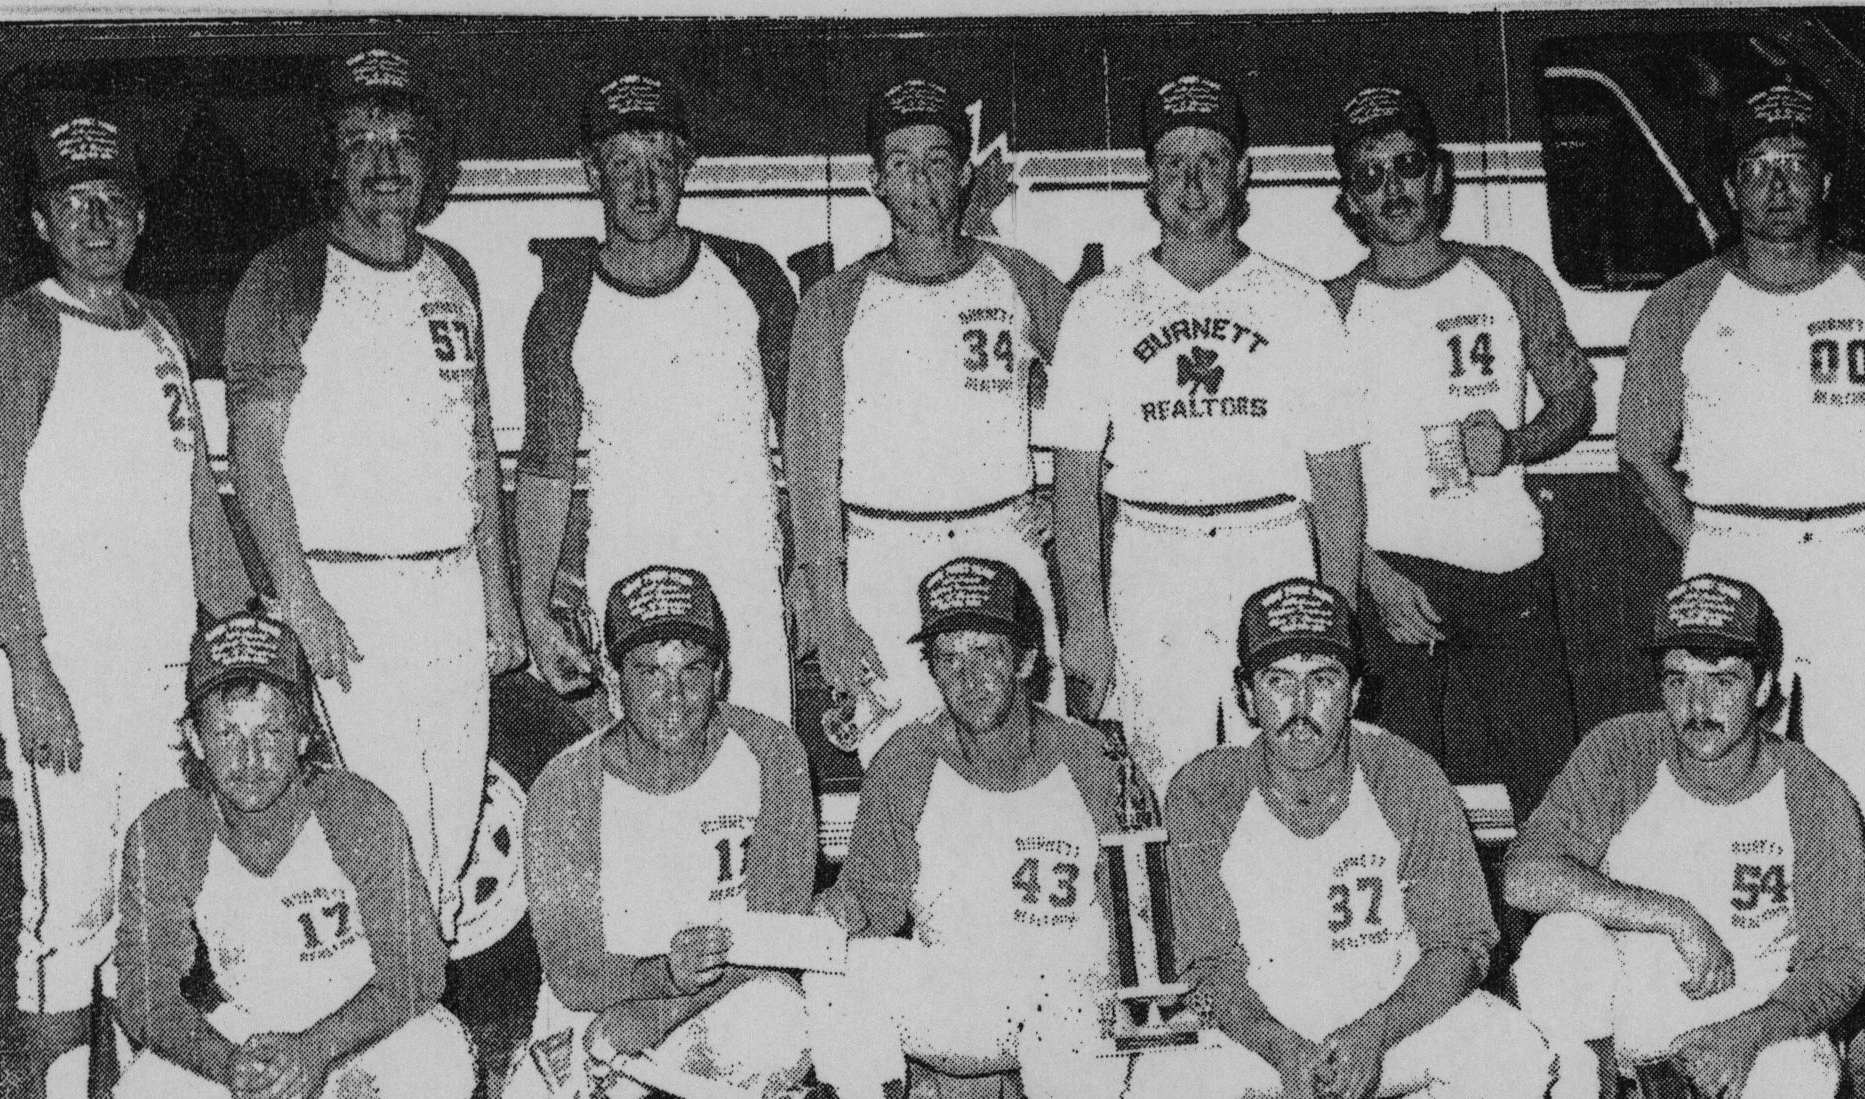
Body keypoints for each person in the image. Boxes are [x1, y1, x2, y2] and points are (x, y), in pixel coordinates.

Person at [456, 566, 887, 1099]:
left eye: (692, 670)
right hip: (599, 1011)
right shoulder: (567, 785)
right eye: (648, 672)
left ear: (720, 674)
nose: (673, 695)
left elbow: (776, 935)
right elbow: (571, 975)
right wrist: (658, 976)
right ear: (612, 677)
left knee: (776, 1025)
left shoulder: (770, 752)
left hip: (718, 999)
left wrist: (662, 1007)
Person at [0, 111, 252, 1099]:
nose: (96, 219)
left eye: (114, 201)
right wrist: (30, 666)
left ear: (141, 219)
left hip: (157, 665)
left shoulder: (157, 328)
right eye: (74, 201)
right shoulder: (17, 329)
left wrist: (242, 636)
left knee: (145, 906)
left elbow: (197, 501)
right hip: (66, 666)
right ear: (41, 219)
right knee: (68, 911)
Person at [1127, 579, 1554, 1099]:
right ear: (1245, 695)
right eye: (1277, 681)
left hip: (1386, 1028)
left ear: (1354, 693)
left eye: (1322, 681)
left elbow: (1462, 947)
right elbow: (1204, 965)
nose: (1300, 707)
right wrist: (1278, 1049)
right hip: (1265, 1035)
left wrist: (1376, 1033)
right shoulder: (1204, 789)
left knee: (1516, 1069)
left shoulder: (1406, 775)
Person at [224, 49, 526, 945]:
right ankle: (378, 1010)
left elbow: (476, 449)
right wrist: (301, 600)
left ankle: (419, 1012)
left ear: (431, 161)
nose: (385, 161)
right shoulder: (284, 274)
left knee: (449, 832)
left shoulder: (453, 274)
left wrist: (498, 599)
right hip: (348, 597)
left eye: (402, 141)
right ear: (331, 161)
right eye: (360, 142)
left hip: (450, 588)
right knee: (372, 838)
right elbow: (254, 455)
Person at [1618, 83, 1865, 1036]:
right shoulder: (1681, 304)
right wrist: (1709, 550)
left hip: (1859, 551)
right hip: (1735, 551)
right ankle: (1751, 998)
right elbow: (1641, 452)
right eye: (1757, 169)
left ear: (1826, 181)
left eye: (1795, 166)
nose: (1777, 186)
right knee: (1738, 780)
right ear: (1730, 188)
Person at [1508, 575, 1865, 1099]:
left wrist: (1750, 1032)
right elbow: (1525, 876)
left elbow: (1843, 962)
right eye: (1677, 680)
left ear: (1763, 688)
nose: (1696, 705)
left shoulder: (1811, 792)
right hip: (1628, 1002)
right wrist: (1673, 914)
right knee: (1556, 944)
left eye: (1722, 680)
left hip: (1749, 1007)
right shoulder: (1622, 749)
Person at [111, 614, 477, 1099]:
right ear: (193, 738)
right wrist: (225, 1061)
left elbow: (419, 969)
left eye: (271, 732)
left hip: (356, 1034)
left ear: (305, 734)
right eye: (227, 733)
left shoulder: (356, 809)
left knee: (444, 1064)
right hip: (251, 1042)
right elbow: (142, 994)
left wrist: (316, 1048)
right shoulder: (166, 829)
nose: (250, 759)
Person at [1039, 72, 1367, 797]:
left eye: (1211, 161)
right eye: (1172, 163)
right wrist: (1086, 622)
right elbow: (1074, 484)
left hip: (1271, 547)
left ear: (1241, 172)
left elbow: (1337, 480)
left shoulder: (1298, 301)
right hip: (1154, 561)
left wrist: (1337, 618)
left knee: (1290, 772)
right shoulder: (1100, 305)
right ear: (1149, 179)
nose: (1192, 183)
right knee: (1165, 779)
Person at [806, 558, 1135, 1099]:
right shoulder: (905, 758)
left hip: (1069, 996)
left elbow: (1133, 911)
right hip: (963, 994)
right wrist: (840, 910)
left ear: (1026, 661)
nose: (967, 675)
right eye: (946, 657)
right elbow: (872, 898)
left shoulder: (1089, 757)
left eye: (986, 652)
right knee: (840, 973)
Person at [1326, 85, 1595, 824]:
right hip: (1395, 584)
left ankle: (1545, 907)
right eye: (1369, 175)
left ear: (1438, 174)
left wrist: (1514, 444)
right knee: (1396, 811)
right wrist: (1368, 575)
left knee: (1550, 800)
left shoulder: (1507, 275)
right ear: (1349, 198)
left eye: (1407, 166)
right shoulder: (1328, 308)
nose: (1392, 189)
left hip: (1510, 575)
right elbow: (1304, 471)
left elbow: (1574, 403)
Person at [785, 76, 1069, 762]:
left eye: (938, 161)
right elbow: (810, 470)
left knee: (1021, 765)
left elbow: (1107, 399)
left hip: (1000, 540)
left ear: (965, 173)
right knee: (898, 771)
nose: (921, 182)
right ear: (876, 181)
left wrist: (1068, 495)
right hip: (883, 557)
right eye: (902, 164)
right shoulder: (833, 303)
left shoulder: (1021, 279)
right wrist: (830, 609)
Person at [517, 70, 798, 723]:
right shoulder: (563, 305)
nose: (644, 186)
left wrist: (811, 571)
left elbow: (804, 437)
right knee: (645, 772)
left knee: (757, 762)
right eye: (623, 164)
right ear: (592, 172)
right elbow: (545, 467)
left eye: (661, 163)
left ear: (686, 167)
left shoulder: (750, 275)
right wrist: (533, 606)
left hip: (743, 581)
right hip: (630, 583)